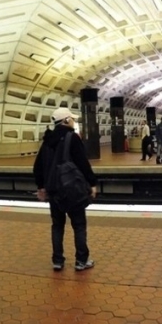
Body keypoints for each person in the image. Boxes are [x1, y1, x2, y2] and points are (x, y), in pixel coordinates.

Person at [33, 107, 97, 271]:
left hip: (53, 190)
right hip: (72, 190)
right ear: (66, 120)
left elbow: (38, 166)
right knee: (79, 225)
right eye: (72, 119)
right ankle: (81, 260)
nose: (74, 122)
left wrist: (41, 187)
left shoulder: (47, 140)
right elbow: (83, 163)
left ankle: (57, 260)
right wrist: (92, 183)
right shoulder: (72, 138)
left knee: (57, 225)